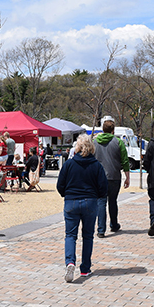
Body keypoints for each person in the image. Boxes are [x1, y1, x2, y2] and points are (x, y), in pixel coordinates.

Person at [56, 134, 108, 282]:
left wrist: (66, 194)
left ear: (77, 147)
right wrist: (96, 196)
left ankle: (70, 262)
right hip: (90, 201)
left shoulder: (69, 164)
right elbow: (104, 188)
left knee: (70, 235)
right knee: (88, 236)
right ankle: (85, 269)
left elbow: (60, 185)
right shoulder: (97, 165)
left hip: (71, 201)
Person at [94, 119, 132, 237]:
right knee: (113, 201)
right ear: (113, 130)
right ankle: (114, 224)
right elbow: (125, 161)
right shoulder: (119, 142)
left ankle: (101, 229)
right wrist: (127, 177)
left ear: (103, 129)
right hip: (114, 175)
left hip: (98, 177)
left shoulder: (94, 142)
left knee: (101, 202)